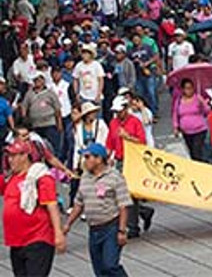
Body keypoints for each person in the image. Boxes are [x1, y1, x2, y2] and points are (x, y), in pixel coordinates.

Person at [64, 143, 131, 277]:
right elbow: (78, 203)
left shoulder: (115, 177)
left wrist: (122, 230)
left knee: (110, 265)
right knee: (99, 269)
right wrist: (68, 224)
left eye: (88, 157)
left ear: (99, 159)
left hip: (111, 227)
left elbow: (124, 205)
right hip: (94, 229)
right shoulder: (85, 177)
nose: (85, 160)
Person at [1, 140, 66, 277]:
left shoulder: (41, 177)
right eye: (9, 156)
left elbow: (51, 205)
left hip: (37, 238)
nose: (10, 160)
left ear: (25, 156)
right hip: (16, 241)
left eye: (13, 156)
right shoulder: (11, 177)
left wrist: (58, 233)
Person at [106, 96, 153, 238]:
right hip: (120, 160)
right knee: (121, 194)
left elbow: (142, 142)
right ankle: (143, 212)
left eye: (119, 111)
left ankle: (133, 226)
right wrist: (106, 158)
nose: (117, 114)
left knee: (129, 193)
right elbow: (110, 143)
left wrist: (127, 137)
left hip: (133, 160)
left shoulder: (135, 122)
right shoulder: (113, 123)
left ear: (126, 109)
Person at [69, 101, 109, 208]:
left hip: (98, 157)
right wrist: (75, 165)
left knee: (99, 182)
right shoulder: (78, 127)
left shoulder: (100, 125)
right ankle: (86, 205)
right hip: (85, 159)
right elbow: (78, 146)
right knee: (86, 184)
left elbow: (104, 142)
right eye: (91, 113)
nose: (94, 115)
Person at [21, 71, 64, 157]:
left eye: (39, 79)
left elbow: (57, 109)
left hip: (49, 124)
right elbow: (24, 106)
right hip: (36, 125)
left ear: (43, 80)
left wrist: (59, 123)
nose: (37, 82)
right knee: (38, 148)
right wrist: (24, 117)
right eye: (35, 80)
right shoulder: (29, 94)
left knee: (53, 147)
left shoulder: (50, 93)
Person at [173, 78, 212, 161]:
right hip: (186, 132)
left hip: (199, 130)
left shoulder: (197, 98)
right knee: (192, 152)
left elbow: (207, 111)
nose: (189, 91)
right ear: (183, 89)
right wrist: (176, 127)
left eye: (191, 88)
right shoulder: (179, 100)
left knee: (196, 151)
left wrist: (203, 103)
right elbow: (175, 114)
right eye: (187, 88)